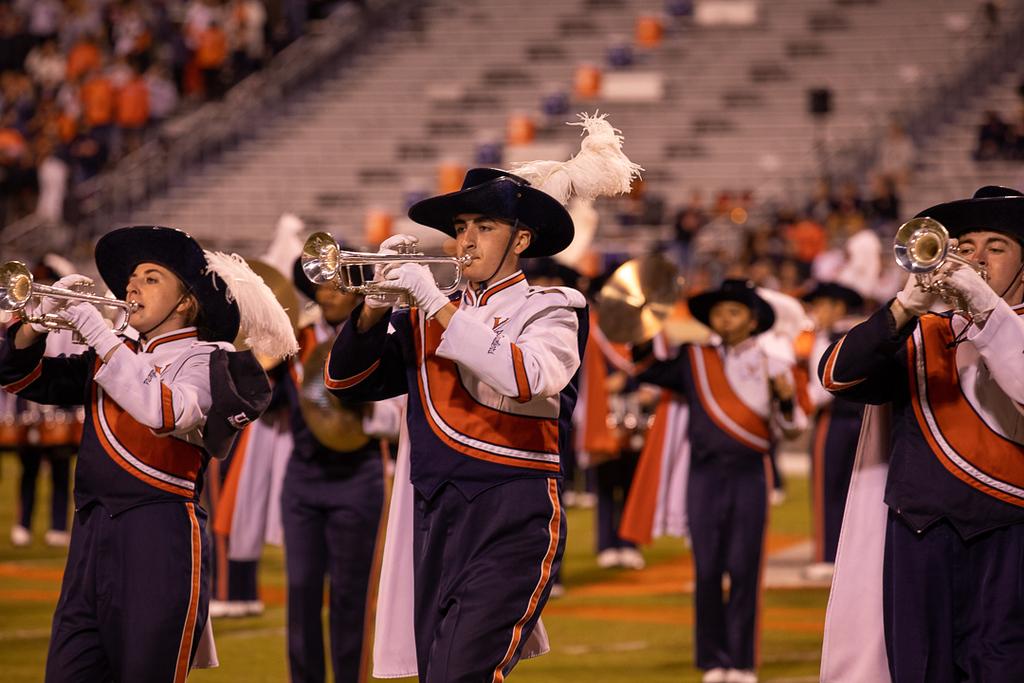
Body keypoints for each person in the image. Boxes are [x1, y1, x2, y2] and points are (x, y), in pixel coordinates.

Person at [0, 225, 294, 681]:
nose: (131, 286)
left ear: (186, 302)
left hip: (159, 536)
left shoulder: (211, 360)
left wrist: (99, 332)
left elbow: (164, 411)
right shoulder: (109, 360)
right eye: (132, 277)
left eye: (151, 277)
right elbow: (19, 377)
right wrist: (36, 324)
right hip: (90, 537)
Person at [818, 186, 1024, 682]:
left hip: (1011, 538)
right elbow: (837, 374)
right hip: (919, 534)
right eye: (967, 246)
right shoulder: (921, 330)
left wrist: (984, 309)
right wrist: (904, 307)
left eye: (996, 247)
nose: (977, 259)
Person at [632, 279, 806, 683]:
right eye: (718, 312)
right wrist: (641, 318)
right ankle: (713, 660)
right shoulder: (693, 359)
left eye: (734, 311)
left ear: (752, 320)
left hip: (749, 474)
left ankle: (741, 661)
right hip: (704, 474)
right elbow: (646, 368)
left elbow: (793, 427)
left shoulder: (773, 362)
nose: (723, 319)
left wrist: (783, 398)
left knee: (744, 567)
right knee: (707, 567)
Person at [280, 250, 399, 683]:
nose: (327, 293)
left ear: (357, 292)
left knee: (351, 596)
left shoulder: (382, 338)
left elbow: (402, 412)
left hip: (358, 475)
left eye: (338, 285)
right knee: (301, 590)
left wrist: (364, 418)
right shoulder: (295, 339)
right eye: (322, 285)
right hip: (303, 476)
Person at [799, 281, 864, 580]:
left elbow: (821, 389)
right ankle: (856, 557)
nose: (816, 313)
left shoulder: (826, 338)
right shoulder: (864, 334)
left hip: (833, 420)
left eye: (820, 306)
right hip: (864, 421)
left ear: (838, 307)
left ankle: (827, 556)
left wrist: (797, 409)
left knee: (828, 489)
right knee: (861, 491)